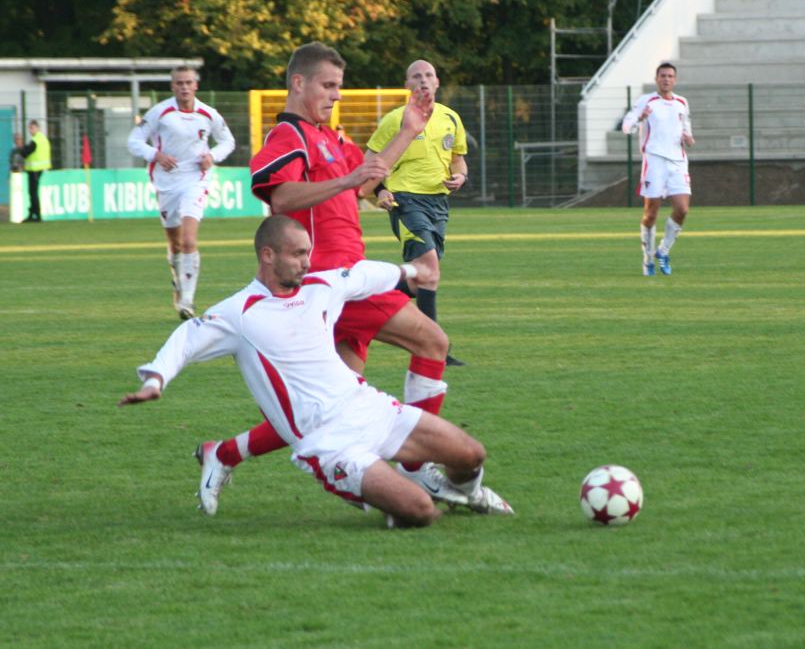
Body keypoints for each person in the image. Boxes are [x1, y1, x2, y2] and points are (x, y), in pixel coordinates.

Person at [194, 42, 460, 516]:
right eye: (329, 85)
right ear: (299, 83)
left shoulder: (332, 139)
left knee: (327, 408)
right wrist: (344, 182)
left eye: (339, 86)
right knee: (432, 342)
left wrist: (407, 133)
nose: (336, 95)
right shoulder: (289, 136)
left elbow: (363, 183)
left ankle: (223, 452)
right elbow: (282, 197)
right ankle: (416, 467)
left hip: (345, 282)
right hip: (325, 280)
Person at [119, 215, 512, 528]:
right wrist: (155, 379)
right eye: (297, 254)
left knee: (471, 455)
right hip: (327, 442)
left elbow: (361, 276)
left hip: (369, 409)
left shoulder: (320, 287)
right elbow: (187, 337)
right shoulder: (238, 313)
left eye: (308, 253)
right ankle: (379, 495)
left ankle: (469, 495)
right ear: (268, 255)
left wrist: (411, 271)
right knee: (421, 511)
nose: (307, 262)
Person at [363, 60, 469, 367]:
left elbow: (459, 161)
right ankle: (433, 348)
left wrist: (461, 177)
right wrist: (380, 189)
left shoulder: (451, 118)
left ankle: (358, 292)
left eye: (428, 76)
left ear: (437, 82)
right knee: (430, 270)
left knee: (422, 279)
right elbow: (369, 162)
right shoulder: (395, 120)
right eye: (416, 77)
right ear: (407, 85)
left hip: (439, 203)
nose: (423, 81)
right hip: (406, 200)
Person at [128, 66, 237, 319]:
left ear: (196, 85)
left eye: (188, 82)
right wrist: (156, 155)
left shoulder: (208, 114)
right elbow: (134, 141)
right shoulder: (160, 112)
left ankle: (186, 302)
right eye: (179, 83)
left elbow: (227, 141)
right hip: (166, 183)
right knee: (175, 244)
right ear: (172, 86)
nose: (184, 87)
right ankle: (178, 279)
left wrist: (212, 156)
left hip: (195, 180)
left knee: (189, 240)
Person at [621, 62, 695, 276]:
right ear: (656, 79)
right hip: (654, 161)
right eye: (663, 75)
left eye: (670, 76)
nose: (666, 79)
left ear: (675, 80)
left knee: (682, 209)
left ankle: (662, 251)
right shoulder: (646, 101)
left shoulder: (682, 102)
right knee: (651, 214)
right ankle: (647, 259)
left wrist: (688, 137)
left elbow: (685, 127)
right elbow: (627, 126)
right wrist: (639, 119)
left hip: (678, 162)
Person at [20, 120, 52, 222]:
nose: (30, 130)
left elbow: (26, 152)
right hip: (39, 168)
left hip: (34, 169)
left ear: (37, 128)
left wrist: (21, 149)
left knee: (33, 192)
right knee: (33, 192)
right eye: (29, 128)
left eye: (32, 128)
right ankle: (33, 214)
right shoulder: (43, 139)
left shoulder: (35, 140)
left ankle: (36, 215)